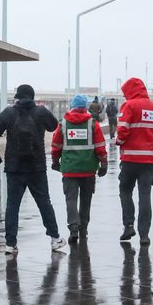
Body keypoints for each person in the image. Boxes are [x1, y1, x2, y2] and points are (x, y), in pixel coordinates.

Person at [0, 84, 66, 256]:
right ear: (32, 96)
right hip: (36, 167)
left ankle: (10, 243)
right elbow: (54, 126)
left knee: (12, 205)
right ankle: (54, 238)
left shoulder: (8, 112)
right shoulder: (41, 111)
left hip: (14, 167)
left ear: (17, 96)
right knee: (44, 202)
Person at [116, 77, 153, 245]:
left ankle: (128, 225)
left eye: (125, 93)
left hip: (130, 159)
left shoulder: (129, 106)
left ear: (131, 91)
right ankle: (144, 235)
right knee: (145, 196)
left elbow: (122, 129)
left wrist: (120, 142)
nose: (125, 97)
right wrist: (151, 145)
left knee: (125, 190)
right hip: (149, 161)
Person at [51, 94, 107, 244]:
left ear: (72, 106)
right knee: (86, 199)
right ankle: (84, 228)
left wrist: (55, 161)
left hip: (70, 169)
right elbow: (100, 145)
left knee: (70, 199)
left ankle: (73, 226)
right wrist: (104, 163)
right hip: (89, 169)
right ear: (85, 107)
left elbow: (56, 145)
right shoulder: (92, 124)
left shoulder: (63, 124)